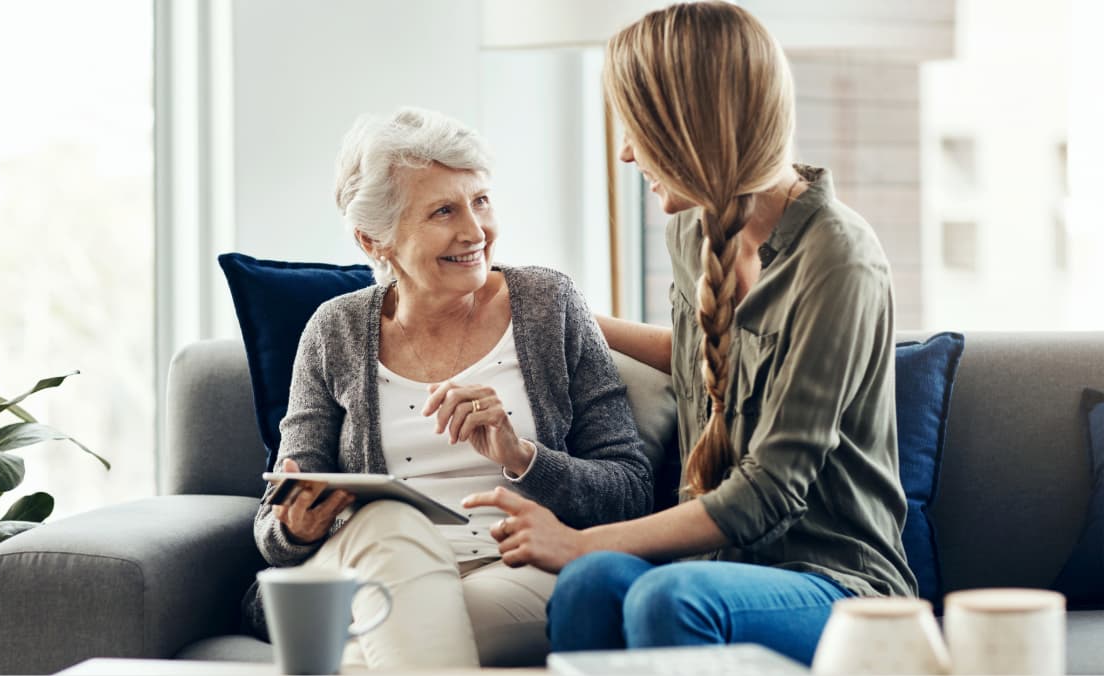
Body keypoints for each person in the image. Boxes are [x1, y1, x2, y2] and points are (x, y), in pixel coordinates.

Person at [462, 1, 917, 666]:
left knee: (664, 597)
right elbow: (705, 357)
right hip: (711, 567)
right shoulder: (689, 229)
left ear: (693, 127)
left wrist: (581, 540)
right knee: (590, 585)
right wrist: (562, 315)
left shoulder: (837, 258)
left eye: (638, 128)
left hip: (836, 582)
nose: (625, 151)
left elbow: (769, 491)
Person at [246, 107, 654, 670]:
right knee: (389, 526)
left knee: (381, 637)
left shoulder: (550, 305)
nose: (475, 231)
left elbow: (632, 490)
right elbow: (275, 522)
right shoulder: (333, 330)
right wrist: (295, 526)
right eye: (444, 211)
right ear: (374, 240)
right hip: (368, 563)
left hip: (511, 569)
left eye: (480, 200)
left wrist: (522, 456)